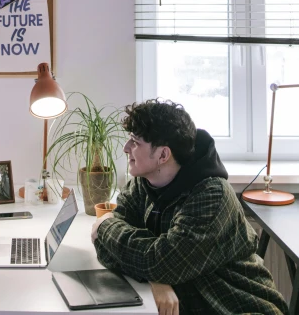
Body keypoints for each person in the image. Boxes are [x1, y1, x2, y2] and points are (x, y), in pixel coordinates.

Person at [91, 100, 288, 315]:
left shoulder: (212, 195)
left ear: (163, 155)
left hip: (239, 308)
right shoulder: (143, 182)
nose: (126, 148)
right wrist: (156, 279)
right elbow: (109, 250)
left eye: (135, 142)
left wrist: (104, 224)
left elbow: (158, 261)